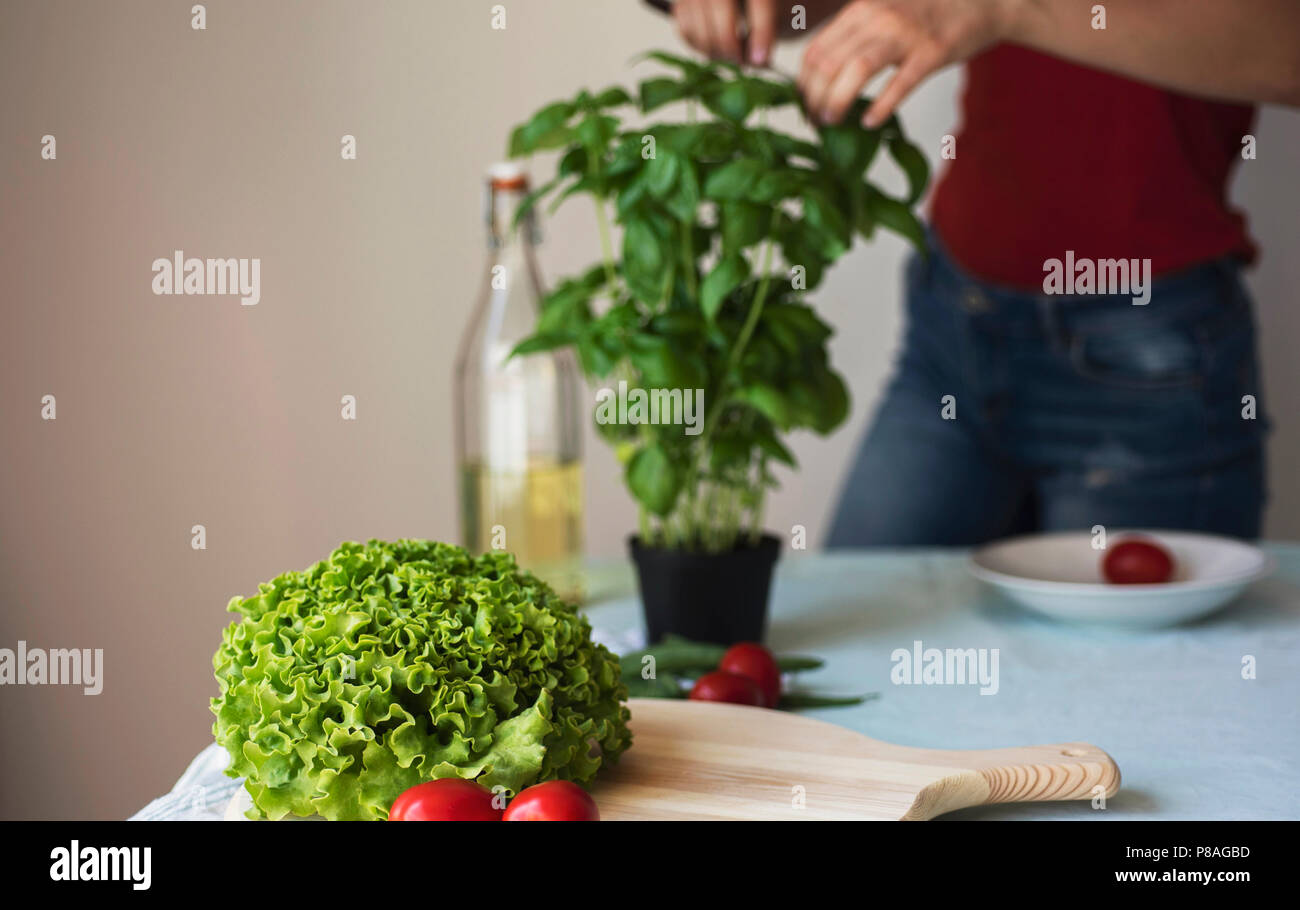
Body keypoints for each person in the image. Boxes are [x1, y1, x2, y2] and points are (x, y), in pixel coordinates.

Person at [668, 0, 1300, 544]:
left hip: (1153, 357)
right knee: (857, 653)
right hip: (956, 319)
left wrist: (1002, 7)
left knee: (1123, 682)